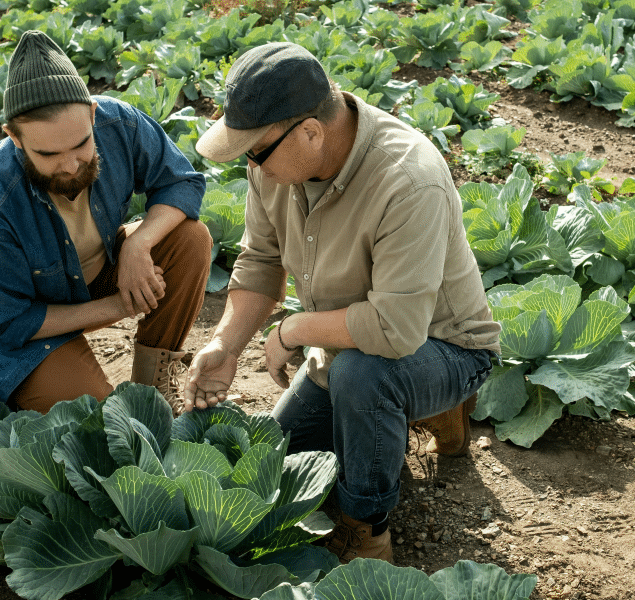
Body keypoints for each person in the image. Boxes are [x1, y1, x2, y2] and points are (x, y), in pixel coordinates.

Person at [184, 42, 500, 564]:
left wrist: (293, 330)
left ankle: (366, 524)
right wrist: (227, 345)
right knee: (282, 456)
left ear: (311, 131)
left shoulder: (407, 179)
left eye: (256, 150)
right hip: (349, 342)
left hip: (445, 347)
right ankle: (427, 418)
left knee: (364, 377)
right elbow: (261, 263)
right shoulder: (275, 165)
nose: (250, 163)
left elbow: (396, 332)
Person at [0, 30, 211, 413]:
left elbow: (181, 182)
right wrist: (119, 306)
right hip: (23, 331)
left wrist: (139, 243)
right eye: (49, 153)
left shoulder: (119, 124)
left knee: (189, 238)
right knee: (98, 420)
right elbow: (9, 323)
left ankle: (154, 388)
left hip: (91, 280)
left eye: (81, 145)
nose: (70, 166)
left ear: (91, 114)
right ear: (14, 137)